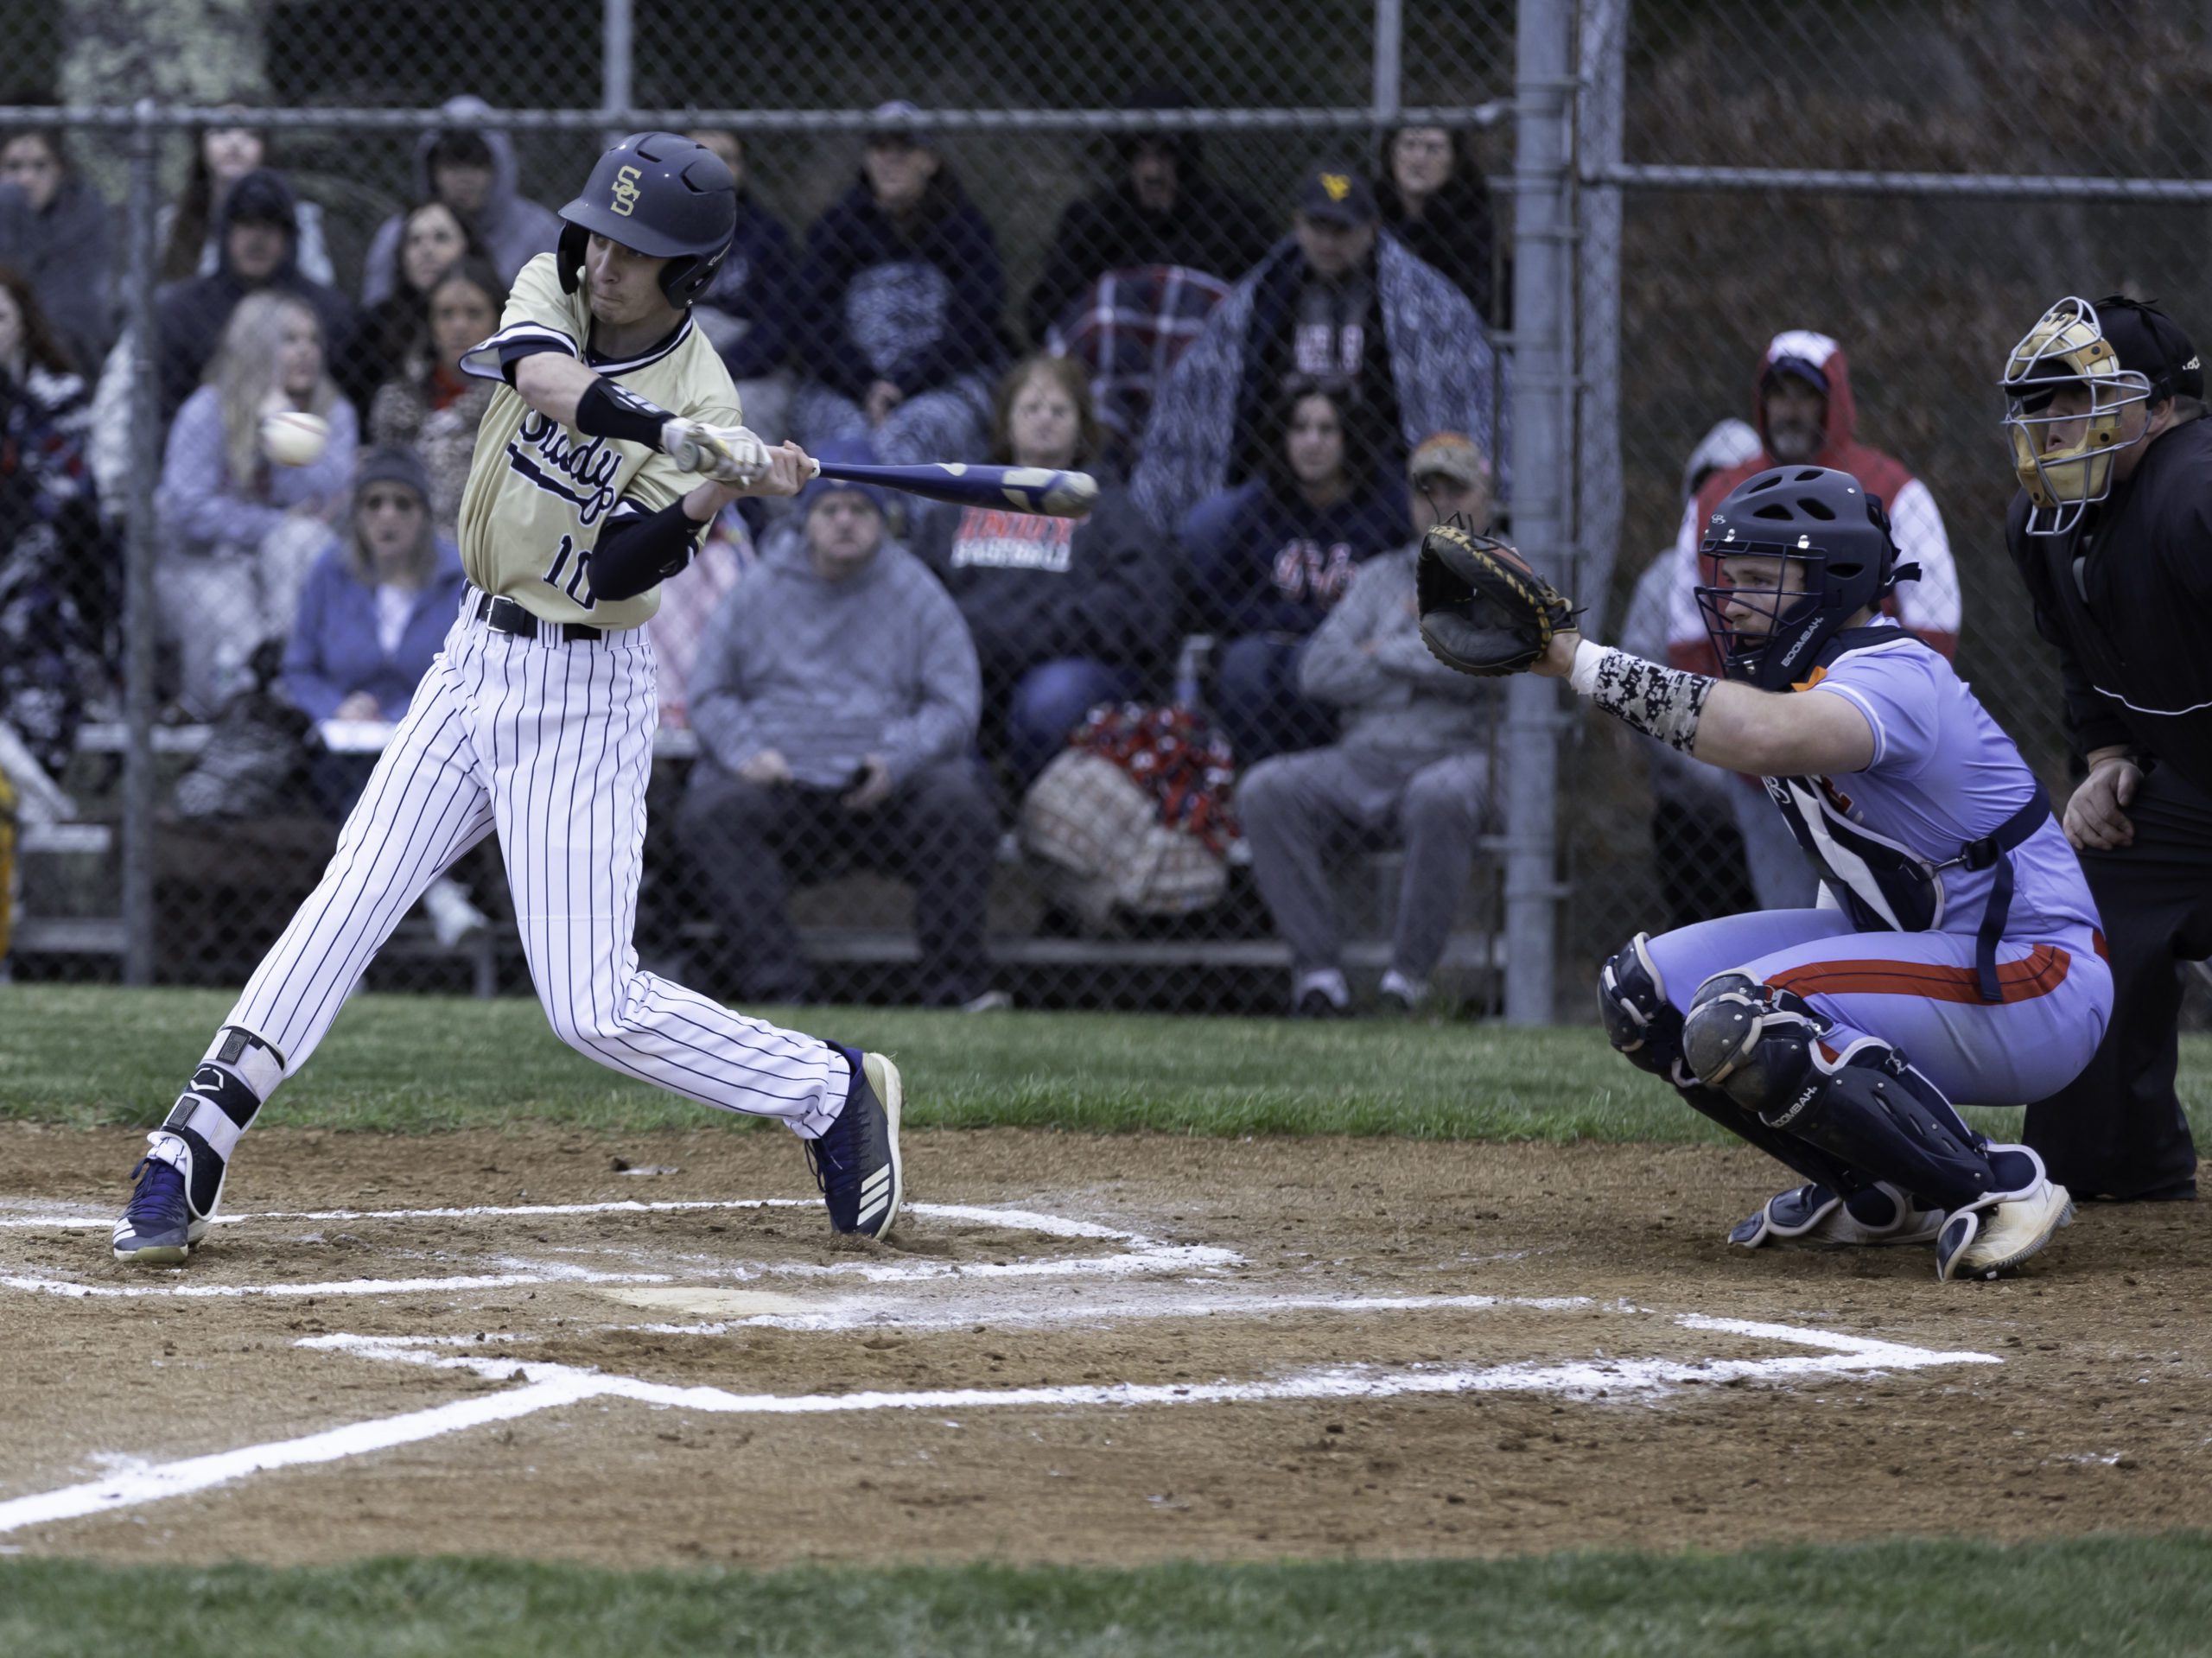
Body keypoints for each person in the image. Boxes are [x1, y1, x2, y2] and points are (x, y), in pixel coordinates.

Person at [111, 131, 907, 1268]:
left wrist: (709, 490)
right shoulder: (554, 285)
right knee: (354, 891)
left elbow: (626, 567)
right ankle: (192, 1140)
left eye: (635, 252)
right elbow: (538, 372)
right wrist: (653, 428)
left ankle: (826, 1088)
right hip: (472, 653)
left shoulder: (710, 395)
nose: (604, 264)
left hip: (585, 690)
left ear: (688, 273)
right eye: (601, 237)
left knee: (591, 1004)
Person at [1498, 465, 2108, 1281]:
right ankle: (1878, 1189)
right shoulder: (1790, 676)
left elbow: (1761, 736)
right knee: (1644, 996)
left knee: (1742, 1009)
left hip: (2036, 972)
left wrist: (1576, 660)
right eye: (1729, 578)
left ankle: (1997, 1183)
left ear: (1833, 580)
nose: (1734, 600)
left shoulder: (1892, 671)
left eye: (1759, 579)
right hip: (1931, 946)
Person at [1999, 294, 2212, 1203]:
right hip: (2195, 785)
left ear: (2157, 405)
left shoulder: (2192, 491)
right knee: (2085, 891)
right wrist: (2105, 757)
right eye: (2039, 407)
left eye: (2075, 401)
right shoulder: (2044, 521)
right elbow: (2082, 657)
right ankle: (2113, 1162)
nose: (2052, 426)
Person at [677, 442, 998, 1010]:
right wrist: (747, 751)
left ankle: (956, 993)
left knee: (959, 804)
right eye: (830, 510)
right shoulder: (758, 589)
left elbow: (956, 702)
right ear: (806, 520)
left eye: (861, 510)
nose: (845, 521)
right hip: (782, 786)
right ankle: (777, 991)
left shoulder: (916, 591)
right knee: (714, 812)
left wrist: (897, 760)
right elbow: (708, 692)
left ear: (883, 521)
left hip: (884, 789)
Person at [1666, 329, 1963, 911]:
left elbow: (1937, 623)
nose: (1791, 410)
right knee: (1787, 914)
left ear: (1837, 401)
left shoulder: (1891, 491)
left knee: (1874, 919)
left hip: (1866, 766)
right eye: (1779, 394)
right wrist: (1728, 723)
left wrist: (1892, 728)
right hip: (1763, 765)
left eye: (1806, 394)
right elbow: (1685, 629)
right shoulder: (1717, 496)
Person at [1239, 432, 1498, 1018]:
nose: (1438, 503)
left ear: (1487, 496)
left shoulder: (1509, 574)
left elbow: (1485, 664)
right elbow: (1316, 670)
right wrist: (1428, 649)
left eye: (1455, 488)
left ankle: (1405, 984)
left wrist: (1382, 649)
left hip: (1459, 754)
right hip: (1365, 755)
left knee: (1442, 795)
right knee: (1267, 789)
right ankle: (1320, 978)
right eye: (1425, 490)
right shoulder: (1381, 576)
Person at [1134, 162, 1501, 537]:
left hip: (1376, 479)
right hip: (1278, 477)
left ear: (1372, 229)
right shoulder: (1265, 298)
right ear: (1297, 224)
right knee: (1204, 530)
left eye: (1342, 230)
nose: (1328, 243)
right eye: (1317, 227)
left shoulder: (1419, 303)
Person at [909, 354, 1173, 784]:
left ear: (1082, 425)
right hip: (967, 665)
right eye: (1030, 409)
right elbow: (916, 588)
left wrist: (1022, 630)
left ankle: (1033, 812)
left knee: (1051, 700)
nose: (1044, 421)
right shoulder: (958, 502)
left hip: (1068, 665)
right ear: (1006, 423)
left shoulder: (1110, 508)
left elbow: (1139, 605)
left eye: (1059, 410)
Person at [280, 445, 484, 947]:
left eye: (401, 503)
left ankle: (344, 939)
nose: (386, 516)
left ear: (423, 513)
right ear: (357, 516)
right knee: (352, 779)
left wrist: (405, 713)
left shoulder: (461, 578)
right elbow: (298, 669)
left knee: (395, 779)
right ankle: (438, 896)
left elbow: (476, 666)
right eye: (373, 504)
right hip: (344, 745)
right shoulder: (330, 573)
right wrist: (337, 706)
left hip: (435, 740)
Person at [1180, 380, 1408, 765]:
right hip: (1267, 644)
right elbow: (1217, 602)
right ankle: (1256, 788)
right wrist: (1301, 623)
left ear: (1348, 437)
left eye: (1326, 429)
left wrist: (1319, 632)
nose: (1311, 442)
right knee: (1243, 666)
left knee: (1314, 670)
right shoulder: (1258, 506)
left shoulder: (1385, 508)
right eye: (1299, 428)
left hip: (1352, 650)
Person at [155, 290, 357, 718]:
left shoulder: (334, 413)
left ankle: (293, 680)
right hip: (205, 563)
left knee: (302, 540)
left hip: (288, 565)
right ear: (255, 346)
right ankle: (242, 709)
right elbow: (187, 510)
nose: (306, 352)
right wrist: (272, 523)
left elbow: (325, 504)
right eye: (289, 340)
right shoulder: (207, 411)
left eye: (313, 340)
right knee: (235, 622)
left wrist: (283, 435)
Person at [792, 102, 1007, 467]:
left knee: (916, 434)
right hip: (848, 384)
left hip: (940, 382)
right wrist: (865, 385)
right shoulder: (836, 228)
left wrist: (906, 385)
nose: (891, 160)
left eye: (905, 150)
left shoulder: (966, 229)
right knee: (845, 440)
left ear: (931, 160)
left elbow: (975, 324)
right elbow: (811, 321)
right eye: (880, 149)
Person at [1620, 418, 1764, 930]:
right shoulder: (1665, 580)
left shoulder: (1788, 575)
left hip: (1778, 808)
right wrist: (1722, 774)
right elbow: (1640, 696)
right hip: (1695, 808)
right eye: (1712, 486)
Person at [1022, 84, 1273, 346]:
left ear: (1186, 159)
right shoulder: (1092, 221)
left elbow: (1265, 307)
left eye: (1164, 155)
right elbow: (1045, 314)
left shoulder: (1235, 222)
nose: (1151, 171)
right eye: (1139, 155)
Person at [0, 264, 107, 778]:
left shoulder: (58, 394)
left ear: (23, 322)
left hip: (43, 572)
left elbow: (69, 493)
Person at [150, 167, 358, 423]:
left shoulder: (328, 311)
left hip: (306, 446)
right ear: (226, 232)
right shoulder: (184, 310)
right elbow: (166, 409)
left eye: (269, 226)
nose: (257, 239)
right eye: (246, 224)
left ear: (288, 236)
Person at [359, 98, 562, 306]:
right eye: (451, 163)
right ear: (431, 170)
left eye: (478, 163)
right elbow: (376, 311)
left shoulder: (538, 231)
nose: (464, 177)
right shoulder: (402, 234)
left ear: (500, 167)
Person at [367, 255, 506, 538]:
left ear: (498, 321)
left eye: (474, 313)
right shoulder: (397, 402)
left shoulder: (516, 402)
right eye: (446, 314)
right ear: (431, 324)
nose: (459, 326)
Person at [683, 129, 799, 444]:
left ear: (743, 169)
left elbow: (777, 328)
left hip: (745, 366)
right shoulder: (654, 230)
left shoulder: (767, 235)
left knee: (747, 412)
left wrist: (720, 371)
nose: (715, 169)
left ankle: (751, 495)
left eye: (727, 159)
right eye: (701, 159)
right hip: (671, 358)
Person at [157, 114, 335, 288]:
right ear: (201, 145)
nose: (235, 144)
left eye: (251, 134)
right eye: (222, 131)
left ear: (265, 148)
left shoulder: (299, 217)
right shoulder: (170, 222)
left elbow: (319, 286)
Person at [0, 123, 114, 373]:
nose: (26, 179)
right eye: (13, 167)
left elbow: (79, 310)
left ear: (59, 170)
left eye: (40, 166)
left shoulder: (83, 218)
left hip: (65, 360)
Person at [357, 200, 489, 397]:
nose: (426, 250)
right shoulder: (375, 327)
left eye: (441, 238)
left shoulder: (501, 308)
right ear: (402, 255)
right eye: (415, 240)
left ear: (467, 245)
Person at [1374, 124, 1500, 326]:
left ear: (1454, 159)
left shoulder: (1472, 220)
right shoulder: (1372, 210)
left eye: (1433, 149)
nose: (1419, 159)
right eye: (1409, 145)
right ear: (1391, 153)